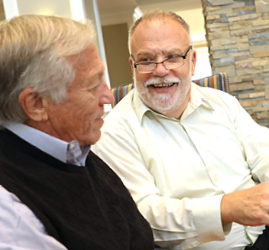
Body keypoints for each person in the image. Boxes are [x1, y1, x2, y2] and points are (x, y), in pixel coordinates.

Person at [93, 10, 269, 250]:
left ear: (192, 62)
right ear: (133, 65)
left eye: (173, 56)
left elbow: (264, 153)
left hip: (268, 231)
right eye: (147, 60)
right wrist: (225, 208)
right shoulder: (113, 133)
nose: (160, 70)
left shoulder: (222, 102)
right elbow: (143, 214)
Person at [0, 15, 154, 250]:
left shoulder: (77, 153)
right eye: (92, 86)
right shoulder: (10, 209)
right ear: (36, 104)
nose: (108, 97)